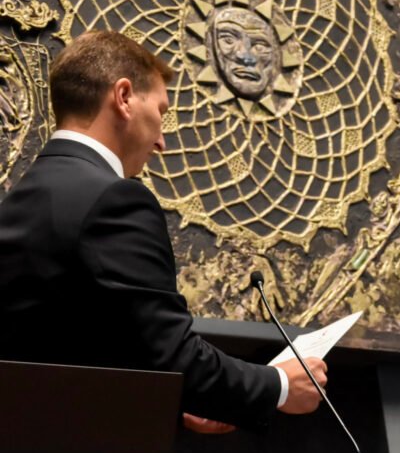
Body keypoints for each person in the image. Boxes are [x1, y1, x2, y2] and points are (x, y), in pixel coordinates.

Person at [0, 30, 326, 431]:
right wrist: (279, 385)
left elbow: (73, 349)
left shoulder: (22, 198)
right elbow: (172, 357)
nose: (162, 142)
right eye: (160, 112)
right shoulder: (114, 199)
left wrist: (176, 400)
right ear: (123, 97)